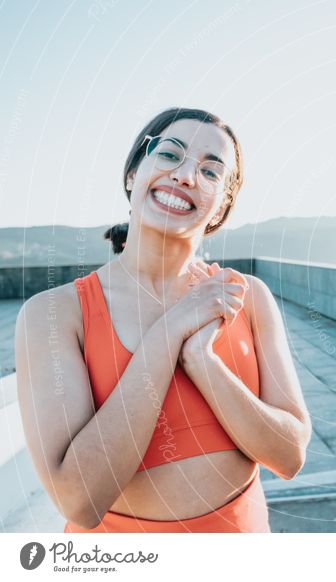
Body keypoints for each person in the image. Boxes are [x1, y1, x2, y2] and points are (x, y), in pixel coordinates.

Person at [15, 108, 311, 532]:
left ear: (221, 207)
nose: (186, 176)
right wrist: (171, 332)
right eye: (170, 155)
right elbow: (79, 500)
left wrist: (202, 361)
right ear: (134, 173)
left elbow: (289, 455)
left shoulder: (249, 298)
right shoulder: (54, 313)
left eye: (211, 172)